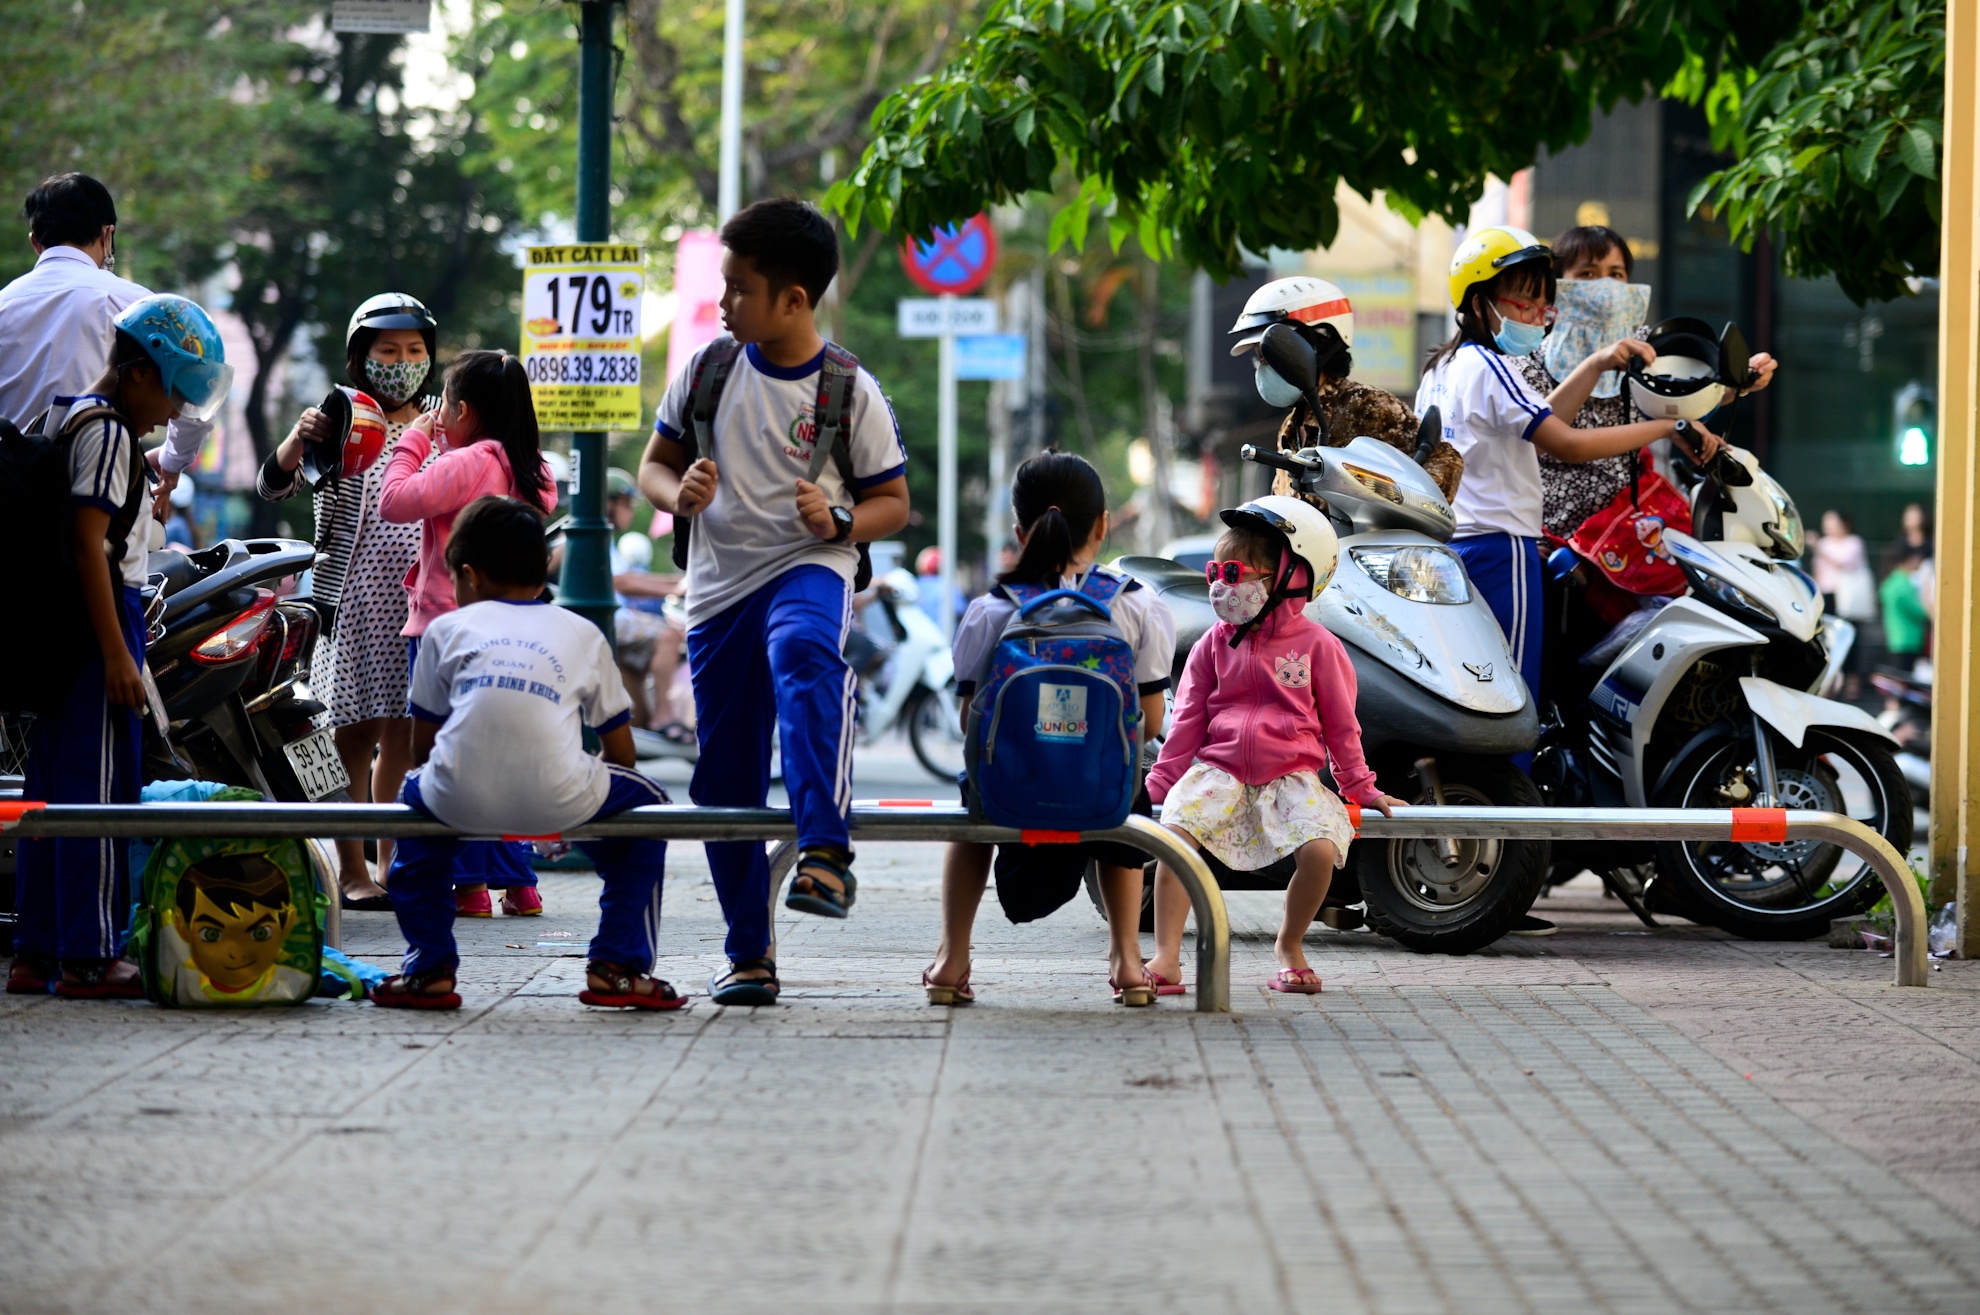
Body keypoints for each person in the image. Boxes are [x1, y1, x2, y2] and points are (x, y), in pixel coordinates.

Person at [637, 198, 910, 1006]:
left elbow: (892, 501)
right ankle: (748, 952)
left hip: (810, 564)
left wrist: (843, 518)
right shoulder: (708, 370)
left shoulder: (848, 389)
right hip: (718, 588)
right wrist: (676, 492)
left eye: (739, 289)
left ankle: (826, 850)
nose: (723, 304)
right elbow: (654, 465)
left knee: (802, 653)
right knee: (723, 780)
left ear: (795, 299)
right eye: (723, 287)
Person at [371, 497, 683, 1010]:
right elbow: (621, 753)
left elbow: (421, 748)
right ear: (543, 575)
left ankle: (428, 968)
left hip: (456, 797)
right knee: (650, 810)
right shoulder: (581, 631)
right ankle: (618, 965)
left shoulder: (444, 631)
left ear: (467, 576)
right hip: (561, 796)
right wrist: (560, 813)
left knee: (414, 807)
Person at [8, 293, 233, 998]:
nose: (173, 411)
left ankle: (38, 949)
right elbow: (89, 545)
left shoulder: (68, 412)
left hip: (62, 628)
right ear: (139, 373)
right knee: (103, 795)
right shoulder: (109, 433)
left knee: (54, 797)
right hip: (97, 625)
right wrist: (116, 653)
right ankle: (91, 953)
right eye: (172, 393)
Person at [1416, 225, 1724, 701]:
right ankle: (1514, 779)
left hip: (1458, 547)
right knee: (1512, 700)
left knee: (1477, 688)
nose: (1537, 317)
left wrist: (1597, 362)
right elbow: (1567, 444)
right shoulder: (1495, 365)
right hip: (1506, 551)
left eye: (1542, 307)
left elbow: (1543, 426)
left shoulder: (1440, 368)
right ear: (1479, 302)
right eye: (1524, 304)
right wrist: (1668, 427)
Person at [924, 451, 1175, 1006]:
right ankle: (1129, 962)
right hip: (1101, 791)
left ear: (1019, 529)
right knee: (1130, 804)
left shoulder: (993, 607)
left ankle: (951, 959)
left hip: (1010, 787)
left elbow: (971, 721)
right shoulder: (1136, 605)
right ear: (1104, 524)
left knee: (971, 813)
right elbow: (1151, 724)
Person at [1141, 499, 1405, 995]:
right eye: (1216, 571)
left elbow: (1342, 728)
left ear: (1287, 576)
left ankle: (1290, 944)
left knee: (1321, 849)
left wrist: (1360, 788)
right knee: (1174, 842)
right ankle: (1167, 957)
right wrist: (1159, 783)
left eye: (1236, 572)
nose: (1222, 584)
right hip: (1217, 772)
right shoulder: (1211, 643)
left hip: (1291, 777)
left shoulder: (1318, 646)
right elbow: (1187, 721)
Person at [256, 293, 441, 908]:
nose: (403, 361)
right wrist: (294, 441)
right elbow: (274, 485)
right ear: (361, 357)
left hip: (422, 601)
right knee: (351, 737)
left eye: (414, 350)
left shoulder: (441, 421)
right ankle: (352, 870)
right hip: (352, 598)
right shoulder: (340, 416)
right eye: (388, 350)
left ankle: (393, 863)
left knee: (407, 735)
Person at [379, 349, 557, 919]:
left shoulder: (471, 461)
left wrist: (413, 440)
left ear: (465, 410)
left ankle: (470, 884)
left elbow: (396, 501)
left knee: (450, 756)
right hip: (515, 631)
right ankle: (520, 883)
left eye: (447, 406)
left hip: (447, 629)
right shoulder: (532, 467)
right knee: (502, 752)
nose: (440, 415)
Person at [1510, 225, 1776, 538]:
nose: (1606, 287)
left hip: (1630, 537)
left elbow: (1678, 397)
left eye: (1617, 274)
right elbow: (1541, 443)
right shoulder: (1530, 359)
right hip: (1552, 539)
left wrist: (1740, 383)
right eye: (1588, 274)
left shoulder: (1647, 348)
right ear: (1559, 284)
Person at [0, 174, 210, 520]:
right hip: (105, 504)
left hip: (9, 508)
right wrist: (172, 461)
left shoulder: (4, 303)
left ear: (35, 241)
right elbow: (196, 392)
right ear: (107, 234)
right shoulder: (138, 306)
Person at [1235, 276, 1466, 502]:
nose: (1263, 365)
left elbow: (1445, 461)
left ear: (1309, 348)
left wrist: (1392, 503)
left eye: (1269, 354)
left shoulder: (1364, 405)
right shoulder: (1290, 428)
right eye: (1259, 356)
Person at [604, 467, 685, 734]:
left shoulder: (606, 540)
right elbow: (623, 583)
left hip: (619, 621)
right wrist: (674, 587)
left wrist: (679, 583)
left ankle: (648, 718)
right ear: (609, 503)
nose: (631, 511)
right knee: (668, 636)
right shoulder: (589, 537)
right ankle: (664, 715)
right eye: (626, 503)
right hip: (608, 623)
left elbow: (628, 578)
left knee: (637, 717)